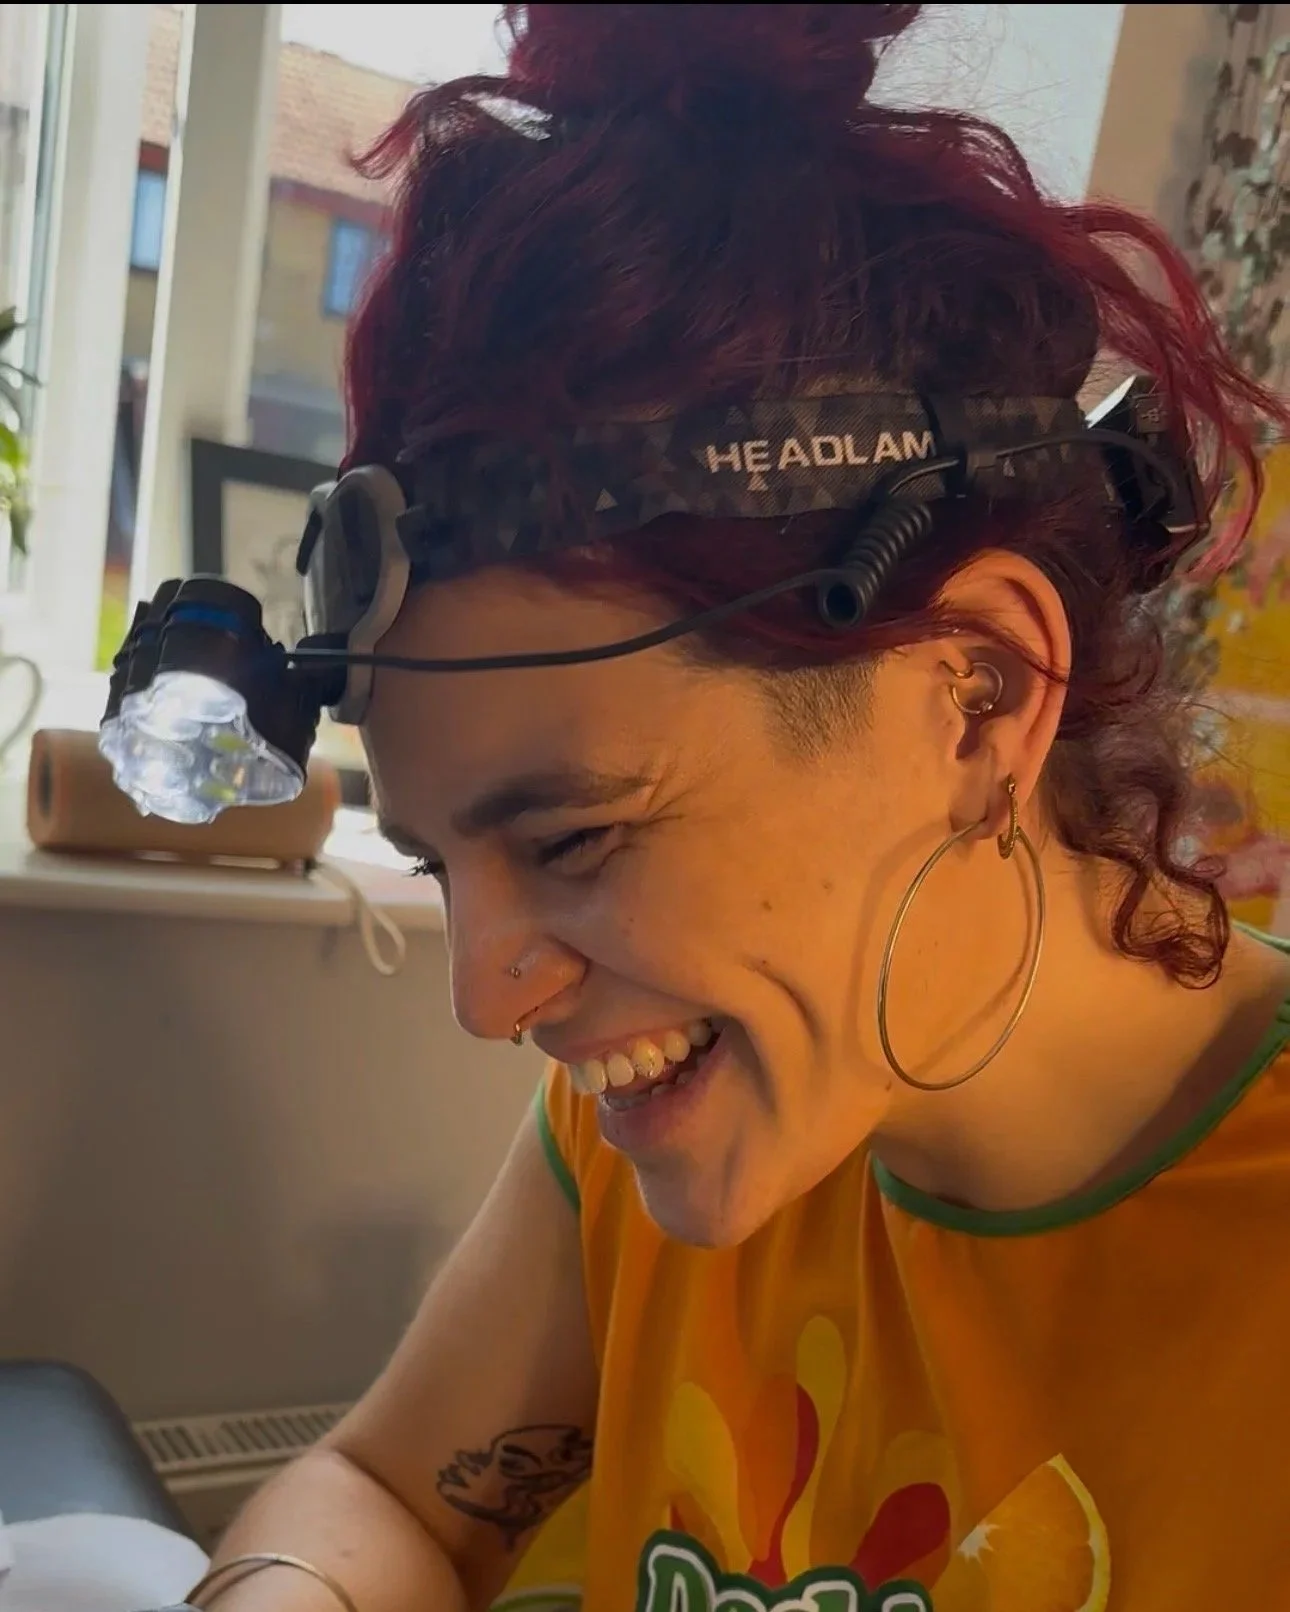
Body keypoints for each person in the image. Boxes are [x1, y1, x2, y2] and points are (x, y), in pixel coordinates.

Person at [184, 5, 1290, 1609]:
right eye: (441, 859)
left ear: (977, 694)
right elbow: (383, 1493)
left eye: (573, 839)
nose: (488, 996)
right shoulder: (658, 1113)